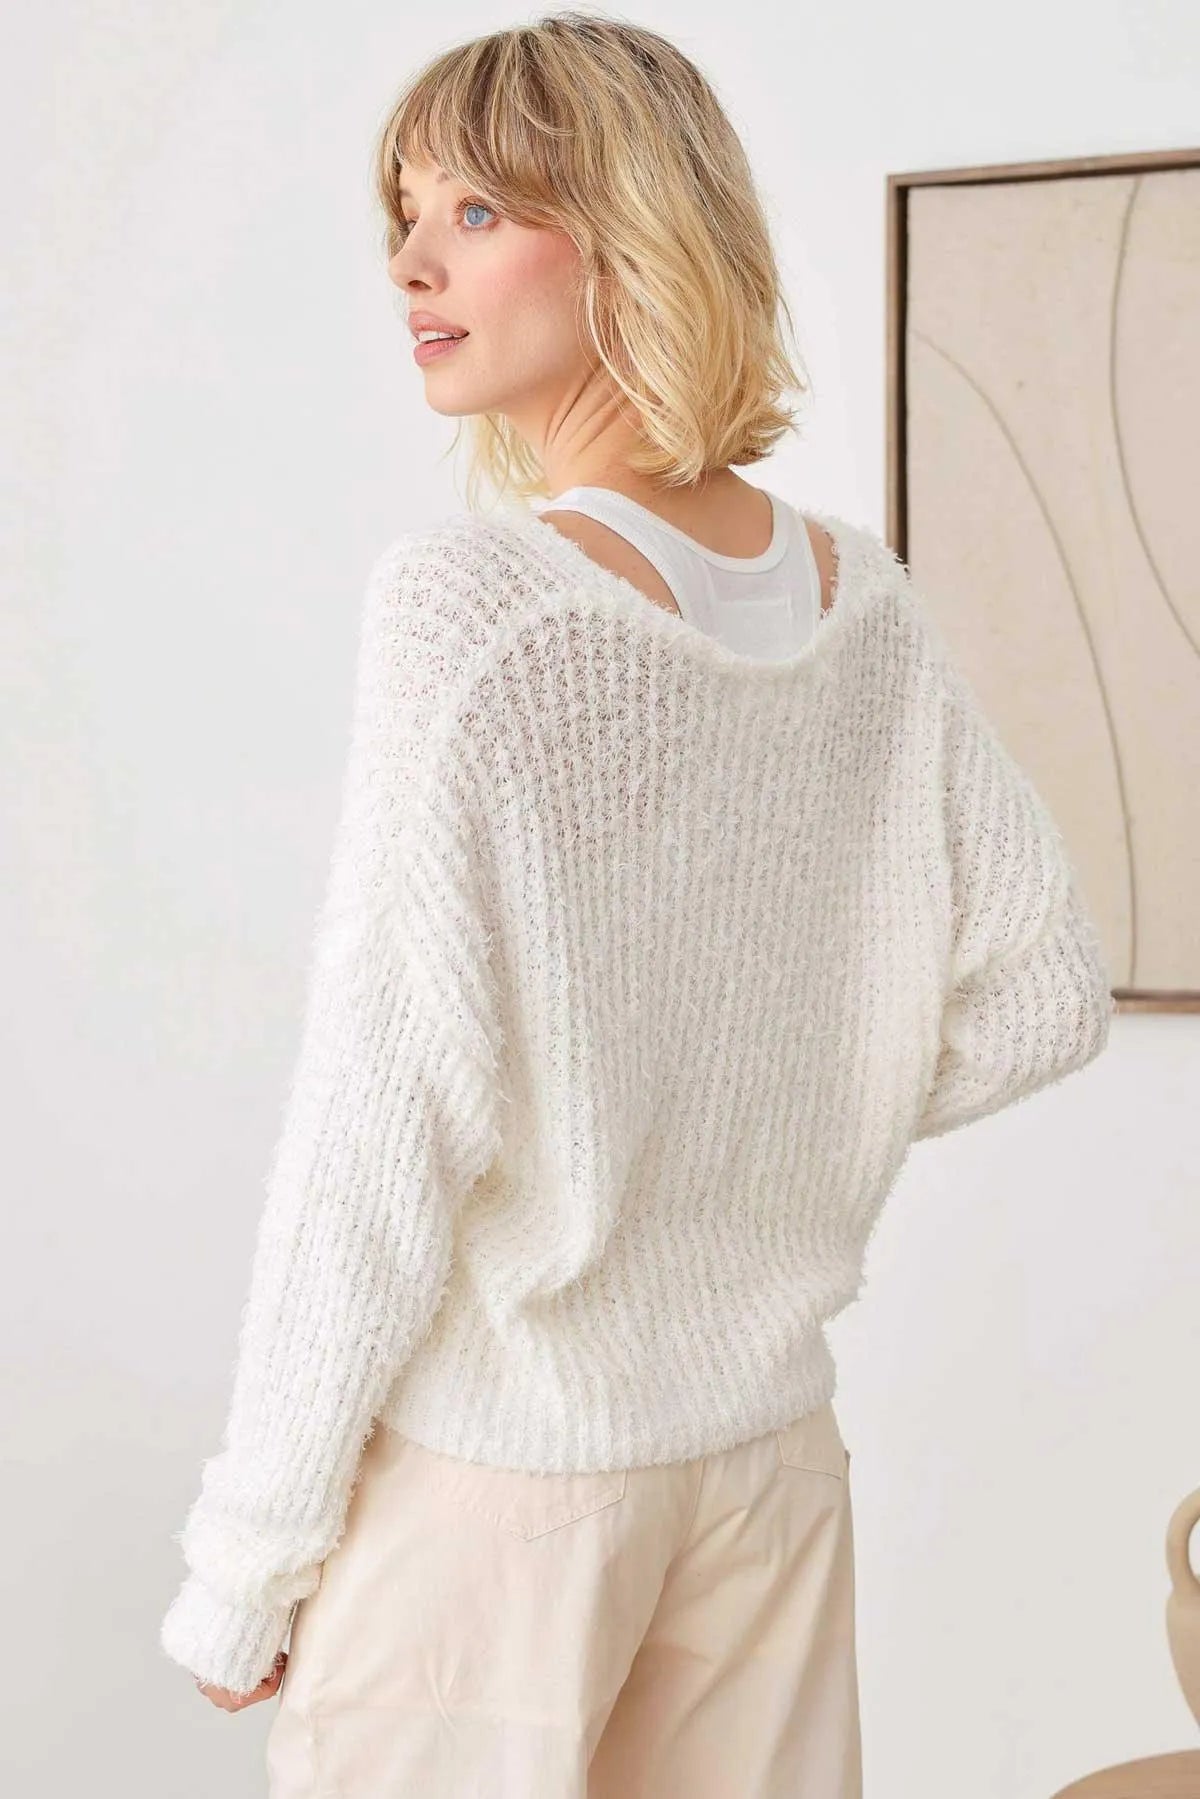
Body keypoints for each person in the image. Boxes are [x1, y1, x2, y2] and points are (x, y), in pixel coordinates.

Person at [159, 13, 1116, 1795]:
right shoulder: (865, 605)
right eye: (405, 214)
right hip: (767, 1470)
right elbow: (1044, 991)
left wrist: (252, 1555)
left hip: (505, 1492)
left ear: (625, 234)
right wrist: (784, 1111)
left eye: (475, 212)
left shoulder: (478, 610)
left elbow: (383, 1118)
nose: (412, 263)